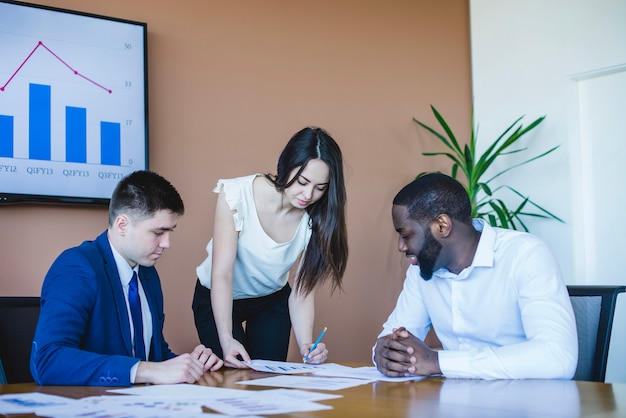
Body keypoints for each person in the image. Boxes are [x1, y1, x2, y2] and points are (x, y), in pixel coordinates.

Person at [374, 173, 578, 379]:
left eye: (406, 235)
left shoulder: (525, 255)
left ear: (442, 226)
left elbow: (557, 357)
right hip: (455, 402)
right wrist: (385, 353)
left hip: (526, 404)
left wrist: (437, 362)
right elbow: (396, 337)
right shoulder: (421, 270)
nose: (401, 246)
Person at [30, 170, 223, 386]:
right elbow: (47, 360)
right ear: (122, 225)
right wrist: (147, 370)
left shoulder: (147, 273)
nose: (167, 243)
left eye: (170, 232)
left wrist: (190, 365)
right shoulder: (77, 267)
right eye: (158, 233)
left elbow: (153, 356)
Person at [192, 126, 348, 368]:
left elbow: (302, 289)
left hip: (270, 300)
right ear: (286, 165)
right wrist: (227, 340)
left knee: (268, 379)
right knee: (230, 377)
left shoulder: (316, 217)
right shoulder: (236, 194)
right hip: (219, 295)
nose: (308, 195)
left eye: (320, 187)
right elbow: (222, 273)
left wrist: (307, 344)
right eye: (303, 181)